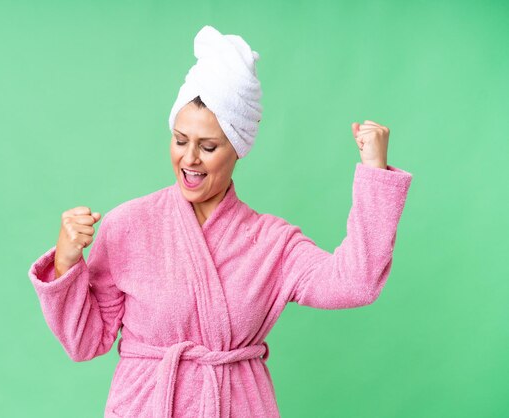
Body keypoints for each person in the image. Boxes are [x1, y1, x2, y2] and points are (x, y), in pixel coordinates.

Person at [28, 25, 413, 418]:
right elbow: (85, 342)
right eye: (180, 140)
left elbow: (356, 282)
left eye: (208, 146)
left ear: (238, 147)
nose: (189, 158)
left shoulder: (272, 243)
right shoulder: (127, 225)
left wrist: (374, 174)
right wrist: (66, 261)